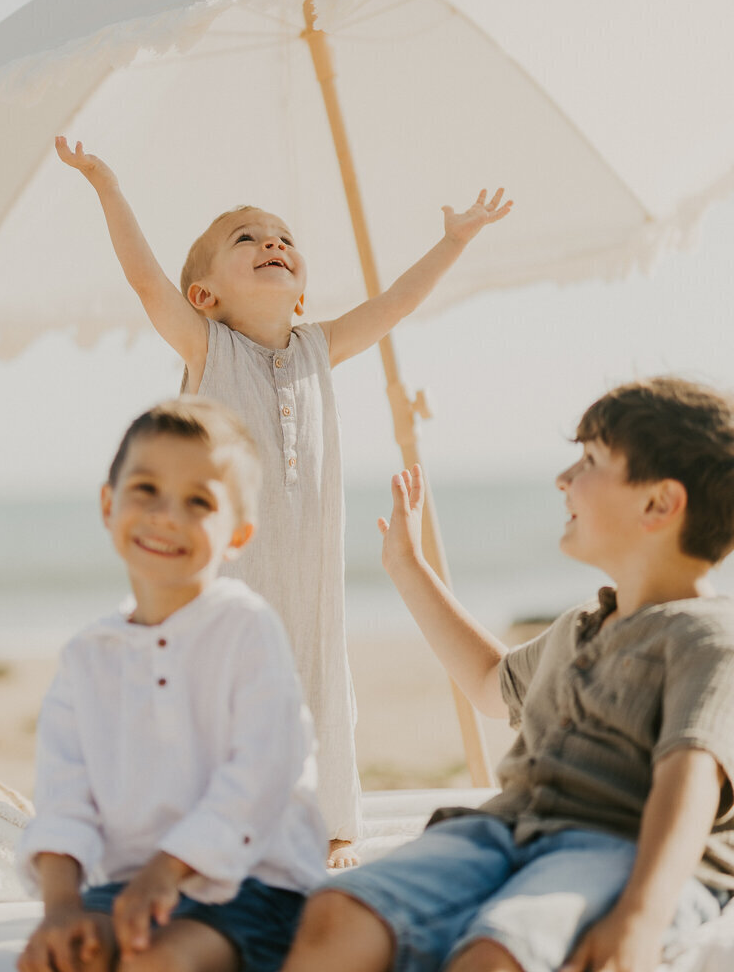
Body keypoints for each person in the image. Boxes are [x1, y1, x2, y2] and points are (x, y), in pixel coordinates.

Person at [54, 134, 513, 866]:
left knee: (321, 679)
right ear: (206, 295)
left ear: (301, 289)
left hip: (313, 579)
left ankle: (330, 824)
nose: (272, 242)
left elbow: (395, 304)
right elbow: (146, 283)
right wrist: (106, 184)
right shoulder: (207, 347)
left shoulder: (318, 348)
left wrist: (452, 241)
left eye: (284, 238)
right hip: (234, 577)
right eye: (247, 238)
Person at [282, 377, 734, 972]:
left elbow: (690, 784)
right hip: (502, 831)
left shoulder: (708, 638)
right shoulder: (581, 626)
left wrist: (641, 916)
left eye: (590, 461)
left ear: (658, 504)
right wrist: (407, 567)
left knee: (499, 956)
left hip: (616, 847)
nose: (563, 479)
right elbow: (491, 682)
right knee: (334, 915)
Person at [17, 398, 328, 972]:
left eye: (199, 502)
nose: (167, 515)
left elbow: (259, 775)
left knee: (155, 964)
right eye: (146, 490)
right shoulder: (86, 657)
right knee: (60, 959)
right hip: (128, 891)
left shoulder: (246, 628)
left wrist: (168, 869)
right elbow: (65, 798)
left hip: (254, 886)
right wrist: (60, 908)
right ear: (109, 504)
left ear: (238, 534)